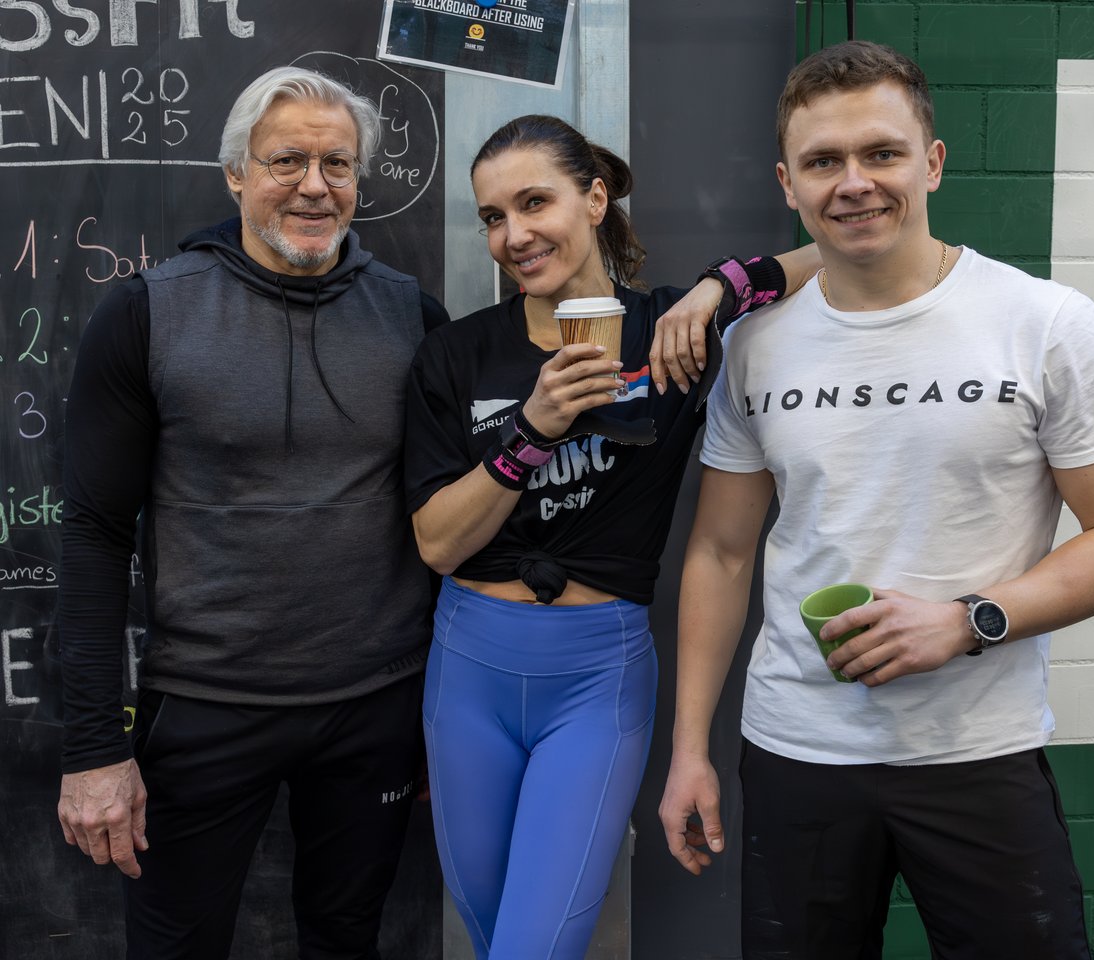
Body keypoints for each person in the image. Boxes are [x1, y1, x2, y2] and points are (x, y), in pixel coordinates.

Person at [658, 40, 1094, 960]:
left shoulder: (1046, 324)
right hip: (798, 750)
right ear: (788, 184)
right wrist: (690, 749)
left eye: (881, 153)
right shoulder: (756, 346)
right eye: (824, 161)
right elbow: (721, 553)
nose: (855, 183)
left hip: (977, 752)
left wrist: (968, 620)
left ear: (931, 162)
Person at [403, 114, 819, 960]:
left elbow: (833, 254)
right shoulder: (454, 353)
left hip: (596, 678)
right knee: (491, 934)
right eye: (493, 217)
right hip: (469, 669)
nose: (514, 236)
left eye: (534, 203)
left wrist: (717, 290)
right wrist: (531, 429)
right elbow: (438, 545)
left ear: (595, 200)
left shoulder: (673, 333)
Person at [55, 66, 448, 959]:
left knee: (346, 939)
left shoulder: (412, 316)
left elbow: (445, 517)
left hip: (377, 709)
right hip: (206, 707)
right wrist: (92, 750)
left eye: (337, 164)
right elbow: (94, 536)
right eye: (287, 161)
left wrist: (443, 715)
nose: (315, 185)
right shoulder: (146, 313)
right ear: (235, 174)